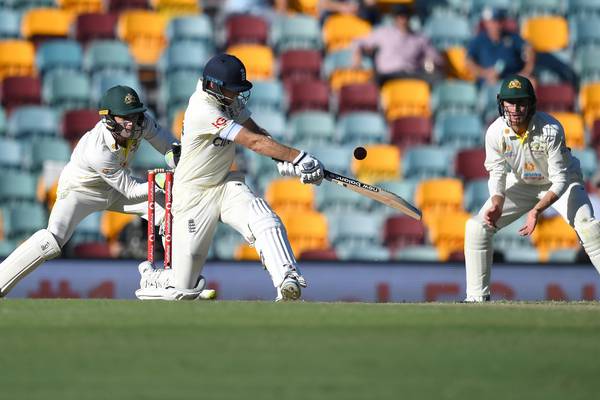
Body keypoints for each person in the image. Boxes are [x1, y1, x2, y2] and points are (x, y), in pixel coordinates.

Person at [135, 54, 325, 302]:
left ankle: (287, 279)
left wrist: (281, 158)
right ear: (214, 86)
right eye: (232, 90)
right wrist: (297, 157)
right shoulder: (202, 108)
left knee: (263, 217)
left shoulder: (226, 99)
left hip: (224, 183)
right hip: (193, 195)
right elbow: (252, 142)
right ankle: (155, 278)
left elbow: (256, 131)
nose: (237, 96)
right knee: (184, 289)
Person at [0, 85, 178, 297]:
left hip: (114, 188)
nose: (132, 123)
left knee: (168, 212)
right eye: (125, 117)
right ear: (109, 118)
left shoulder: (142, 122)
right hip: (80, 191)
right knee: (52, 239)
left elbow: (170, 146)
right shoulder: (98, 149)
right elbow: (130, 190)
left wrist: (179, 161)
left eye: (135, 115)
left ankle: (179, 280)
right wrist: (161, 181)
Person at [464, 74, 600, 302]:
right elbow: (497, 172)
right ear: (501, 103)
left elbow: (560, 180)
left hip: (562, 183)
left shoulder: (551, 129)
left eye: (521, 103)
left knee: (589, 228)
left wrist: (536, 210)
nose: (515, 109)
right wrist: (497, 200)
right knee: (477, 227)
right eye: (510, 103)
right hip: (522, 184)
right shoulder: (495, 132)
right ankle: (476, 299)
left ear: (531, 104)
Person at [350, 4, 443, 86]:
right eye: (399, 16)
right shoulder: (383, 33)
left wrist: (429, 64)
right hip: (388, 74)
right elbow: (358, 42)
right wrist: (357, 58)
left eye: (405, 16)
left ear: (410, 17)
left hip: (411, 74)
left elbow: (434, 59)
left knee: (436, 78)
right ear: (394, 17)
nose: (402, 19)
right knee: (372, 82)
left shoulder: (420, 38)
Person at [466, 7, 535, 87]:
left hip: (513, 80)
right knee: (492, 84)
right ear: (486, 23)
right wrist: (485, 73)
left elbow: (529, 49)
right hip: (490, 80)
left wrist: (525, 72)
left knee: (531, 82)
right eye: (493, 21)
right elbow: (469, 61)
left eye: (500, 21)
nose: (497, 25)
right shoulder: (479, 40)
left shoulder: (512, 37)